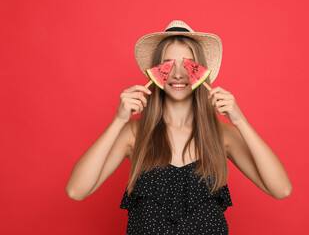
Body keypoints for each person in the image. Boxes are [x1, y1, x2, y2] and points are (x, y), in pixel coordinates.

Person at [66, 20, 292, 234]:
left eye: (187, 64)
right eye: (168, 64)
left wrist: (240, 121)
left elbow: (281, 189)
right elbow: (76, 191)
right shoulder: (134, 134)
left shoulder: (222, 135)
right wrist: (118, 120)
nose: (177, 73)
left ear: (201, 70)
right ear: (155, 71)